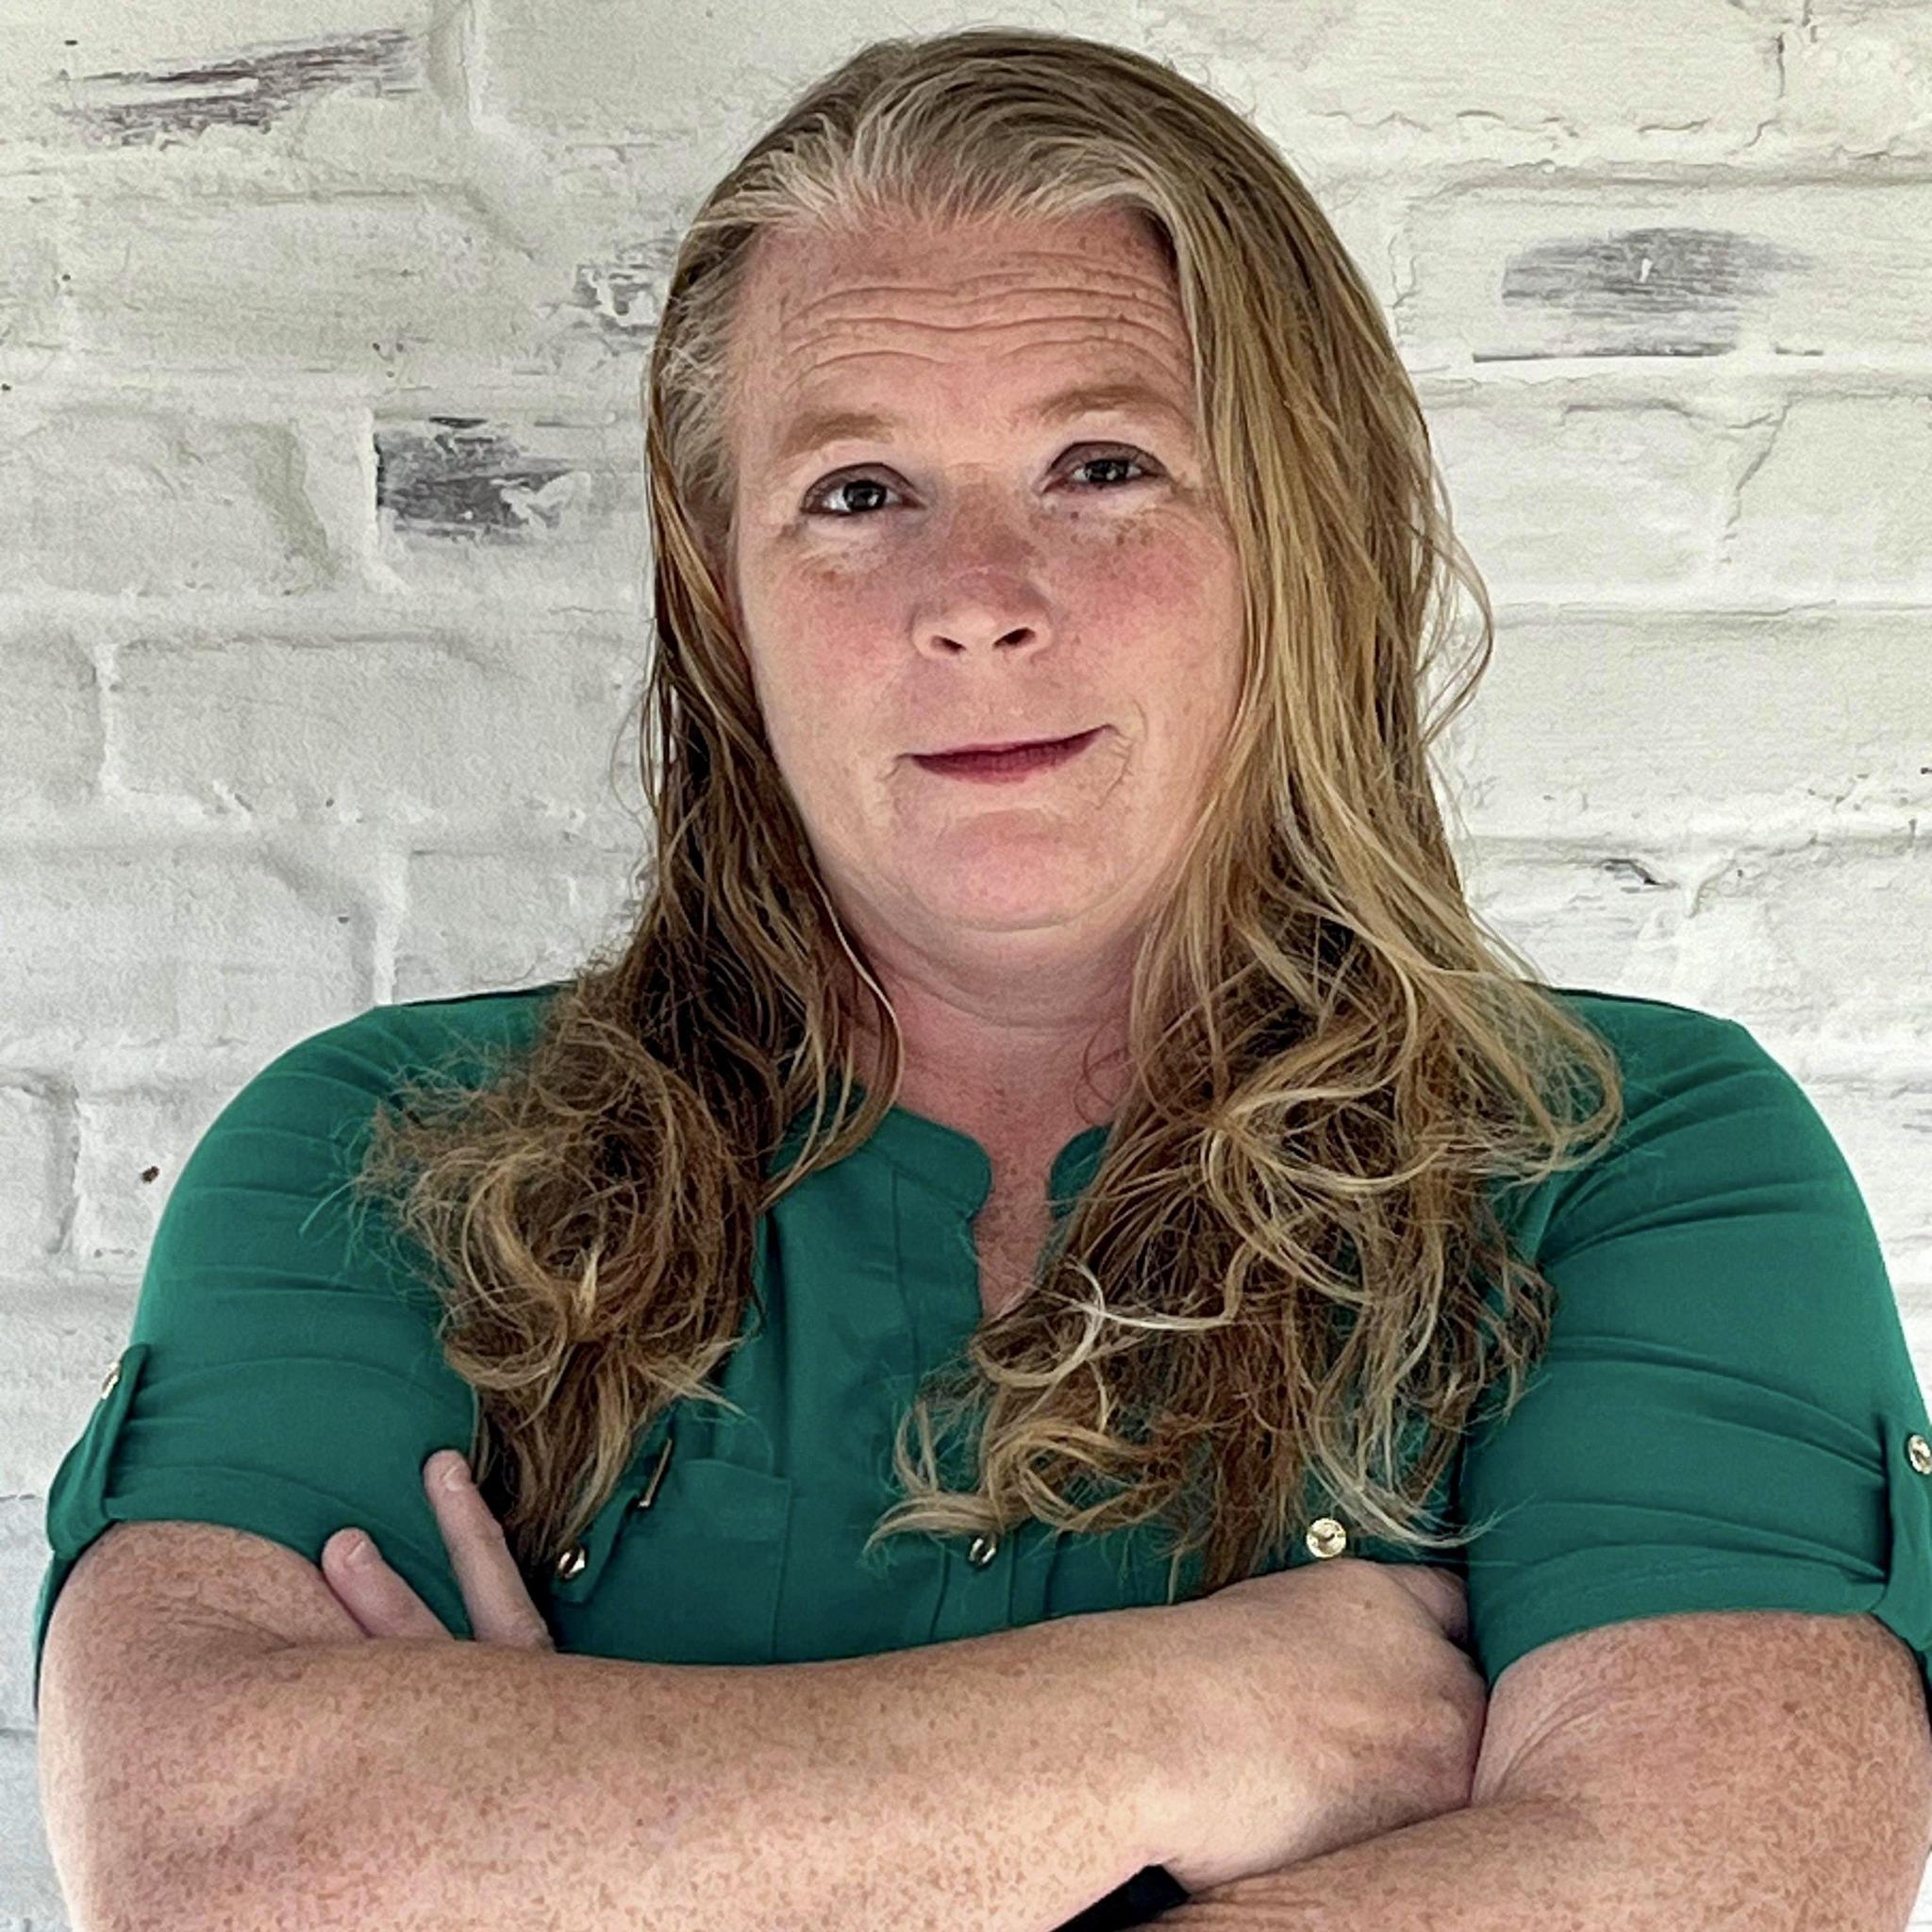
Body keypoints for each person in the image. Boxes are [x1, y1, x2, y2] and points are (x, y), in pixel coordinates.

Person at [34, 26, 1932, 1932]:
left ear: (1306, 533)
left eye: (1103, 466)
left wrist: (573, 1842)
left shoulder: (1628, 1168)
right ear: (722, 592)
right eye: (858, 492)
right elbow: (212, 1867)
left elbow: (1725, 1890)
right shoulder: (389, 1163)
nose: (976, 598)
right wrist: (1194, 1726)